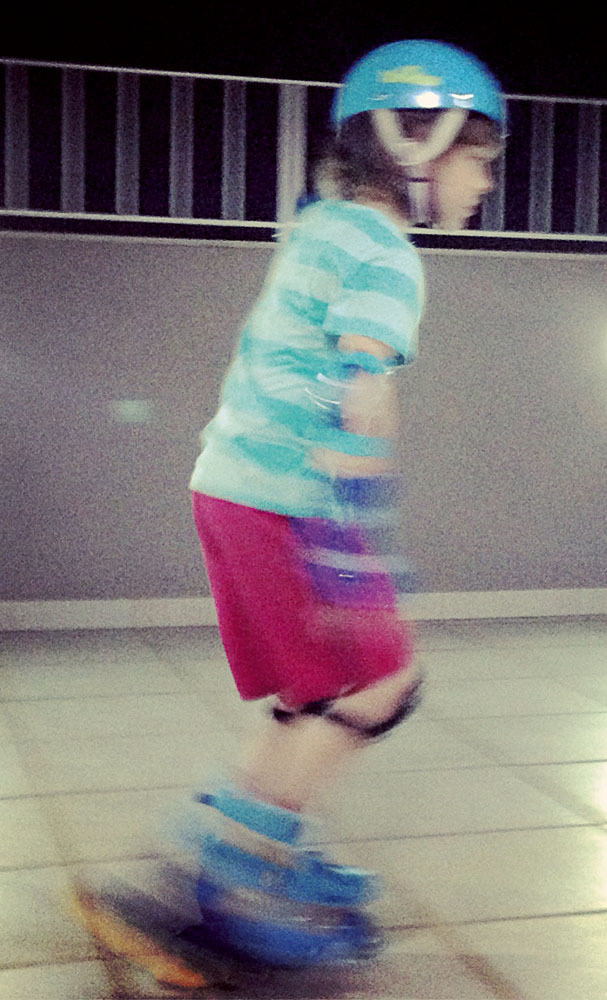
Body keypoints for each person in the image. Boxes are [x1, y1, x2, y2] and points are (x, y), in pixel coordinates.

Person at [75, 40, 506, 979]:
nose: (486, 183)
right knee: (386, 684)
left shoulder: (320, 227)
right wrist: (357, 546)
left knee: (309, 696)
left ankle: (251, 846)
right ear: (414, 139)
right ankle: (221, 882)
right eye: (482, 157)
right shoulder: (386, 255)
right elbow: (363, 392)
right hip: (292, 506)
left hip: (230, 489)